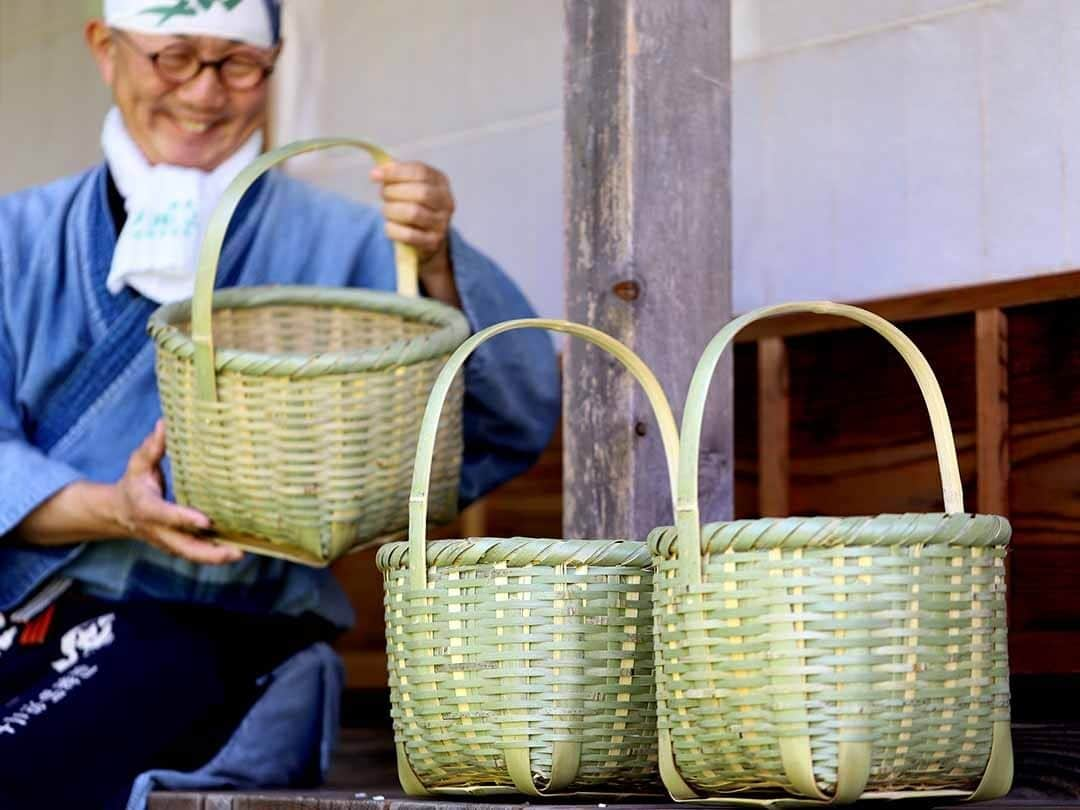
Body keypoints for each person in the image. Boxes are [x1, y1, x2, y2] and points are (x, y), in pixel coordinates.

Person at [0, 1, 559, 807]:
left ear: (275, 64)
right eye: (173, 57)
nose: (203, 92)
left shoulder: (350, 244)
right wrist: (113, 508)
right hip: (40, 622)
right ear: (104, 48)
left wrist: (436, 260)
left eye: (236, 64)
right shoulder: (17, 240)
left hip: (236, 633)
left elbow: (501, 423)